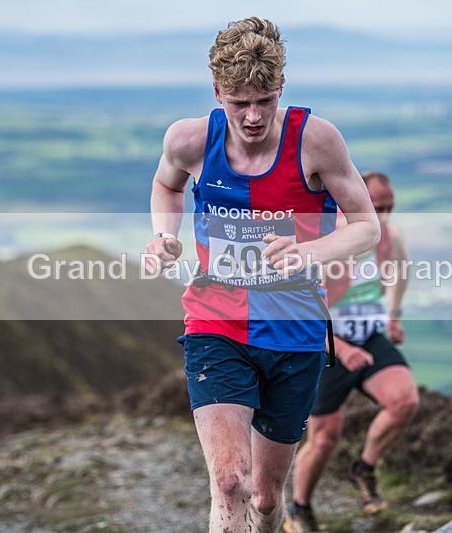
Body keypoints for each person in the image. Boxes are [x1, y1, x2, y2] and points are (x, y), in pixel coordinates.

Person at [143, 17, 380, 533]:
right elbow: (166, 186)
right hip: (215, 325)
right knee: (231, 481)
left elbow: (367, 227)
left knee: (268, 499)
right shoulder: (188, 140)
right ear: (217, 92)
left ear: (282, 89)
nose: (252, 116)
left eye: (265, 100)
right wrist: (165, 236)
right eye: (238, 101)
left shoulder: (316, 140)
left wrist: (311, 252)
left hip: (295, 334)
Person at [284, 171, 420, 533]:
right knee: (325, 438)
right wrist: (340, 348)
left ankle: (364, 468)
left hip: (369, 336)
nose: (386, 215)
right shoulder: (329, 239)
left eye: (390, 206)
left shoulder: (387, 236)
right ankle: (300, 509)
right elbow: (304, 305)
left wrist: (393, 315)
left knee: (404, 401)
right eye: (378, 207)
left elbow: (401, 270)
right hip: (327, 344)